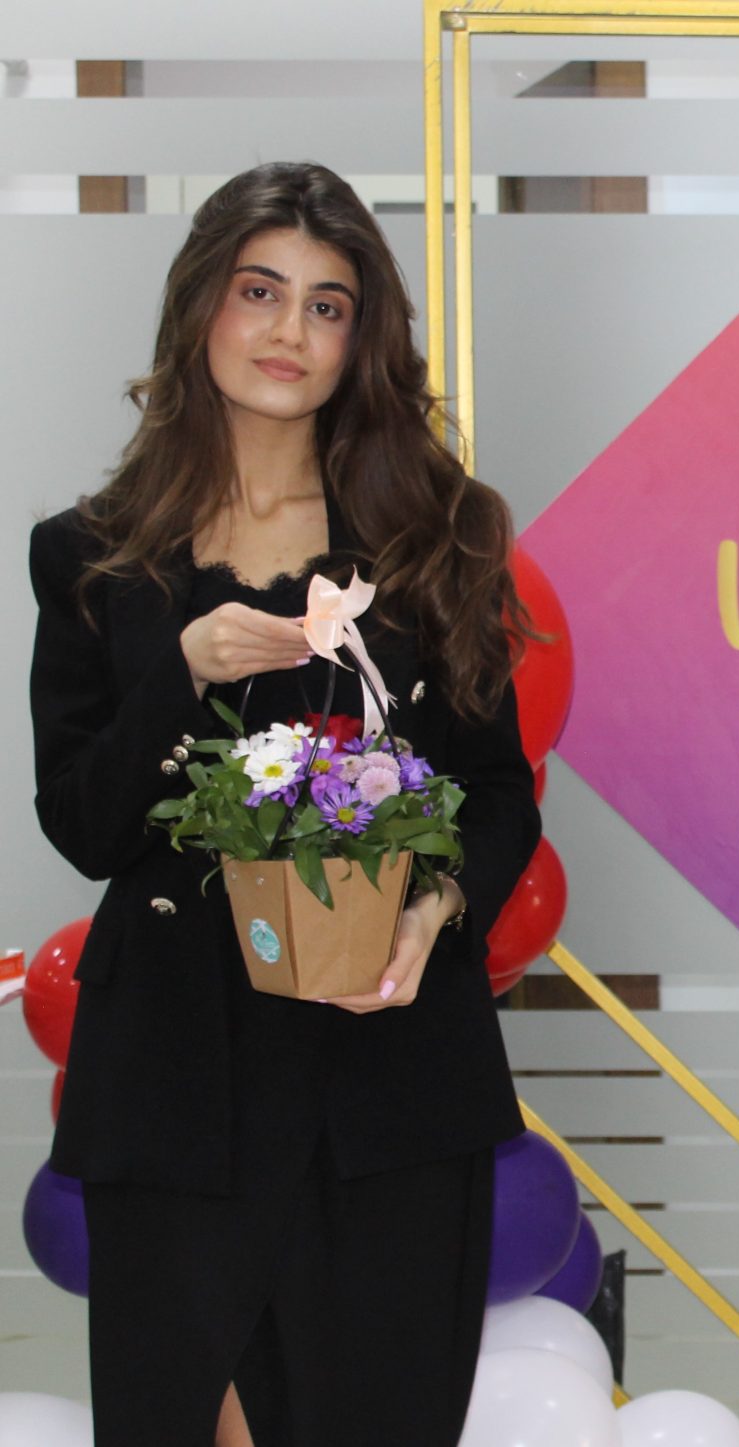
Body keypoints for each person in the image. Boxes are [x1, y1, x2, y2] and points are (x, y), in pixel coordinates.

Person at [28, 162, 542, 1447]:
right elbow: (84, 824)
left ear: (360, 340)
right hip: (178, 1088)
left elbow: (496, 792)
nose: (287, 333)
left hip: (389, 1082)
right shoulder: (92, 554)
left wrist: (435, 909)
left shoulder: (438, 537)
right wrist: (184, 672)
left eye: (326, 306)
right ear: (200, 306)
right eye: (259, 292)